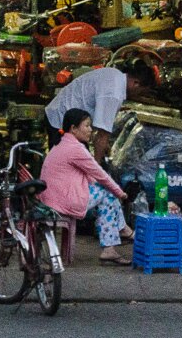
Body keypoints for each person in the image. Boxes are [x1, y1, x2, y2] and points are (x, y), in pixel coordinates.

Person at [39, 108, 134, 265]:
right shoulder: (75, 148)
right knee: (109, 194)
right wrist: (120, 193)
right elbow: (100, 174)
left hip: (53, 198)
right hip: (63, 201)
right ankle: (122, 232)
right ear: (74, 128)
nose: (91, 130)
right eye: (87, 125)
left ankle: (114, 242)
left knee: (106, 196)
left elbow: (89, 175)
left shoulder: (63, 143)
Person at [45, 63, 156, 163]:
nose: (140, 95)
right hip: (61, 120)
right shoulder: (113, 94)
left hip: (62, 112)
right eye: (142, 91)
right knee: (69, 168)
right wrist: (96, 169)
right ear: (136, 83)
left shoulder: (115, 74)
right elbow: (102, 136)